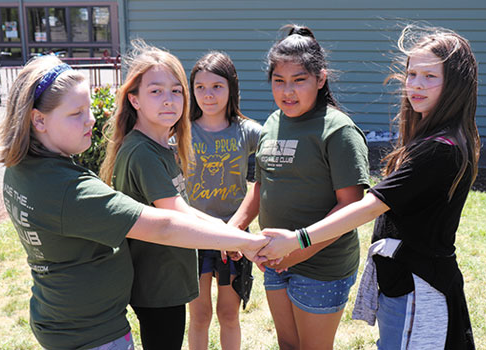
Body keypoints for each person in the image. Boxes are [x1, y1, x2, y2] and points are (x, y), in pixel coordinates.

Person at [0, 54, 268, 350]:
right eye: (76, 113)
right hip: (91, 331)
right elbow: (165, 225)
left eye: (176, 90)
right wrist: (244, 241)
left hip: (66, 318)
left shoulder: (22, 169)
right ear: (38, 120)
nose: (92, 119)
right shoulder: (69, 189)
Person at [259, 25, 479, 350]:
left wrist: (297, 240)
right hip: (402, 281)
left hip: (420, 286)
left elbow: (369, 205)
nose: (415, 85)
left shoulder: (440, 149)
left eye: (430, 76)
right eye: (412, 73)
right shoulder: (432, 139)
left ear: (456, 82)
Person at [228, 25, 370, 350]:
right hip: (274, 258)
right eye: (279, 81)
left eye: (299, 80)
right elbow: (261, 185)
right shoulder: (273, 123)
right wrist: (235, 226)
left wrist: (297, 251)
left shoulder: (339, 130)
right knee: (288, 346)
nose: (287, 91)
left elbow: (351, 207)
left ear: (320, 80)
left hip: (321, 265)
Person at [99, 41, 234, 350]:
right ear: (134, 100)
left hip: (168, 280)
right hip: (157, 286)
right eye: (155, 91)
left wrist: (225, 231)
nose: (169, 100)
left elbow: (182, 206)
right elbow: (176, 212)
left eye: (176, 91)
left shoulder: (160, 146)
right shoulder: (142, 153)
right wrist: (238, 241)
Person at [185, 51, 262, 350]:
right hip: (192, 236)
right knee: (200, 315)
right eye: (200, 87)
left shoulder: (249, 131)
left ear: (232, 87)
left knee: (228, 314)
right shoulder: (182, 131)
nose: (208, 94)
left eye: (217, 86)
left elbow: (276, 153)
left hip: (234, 238)